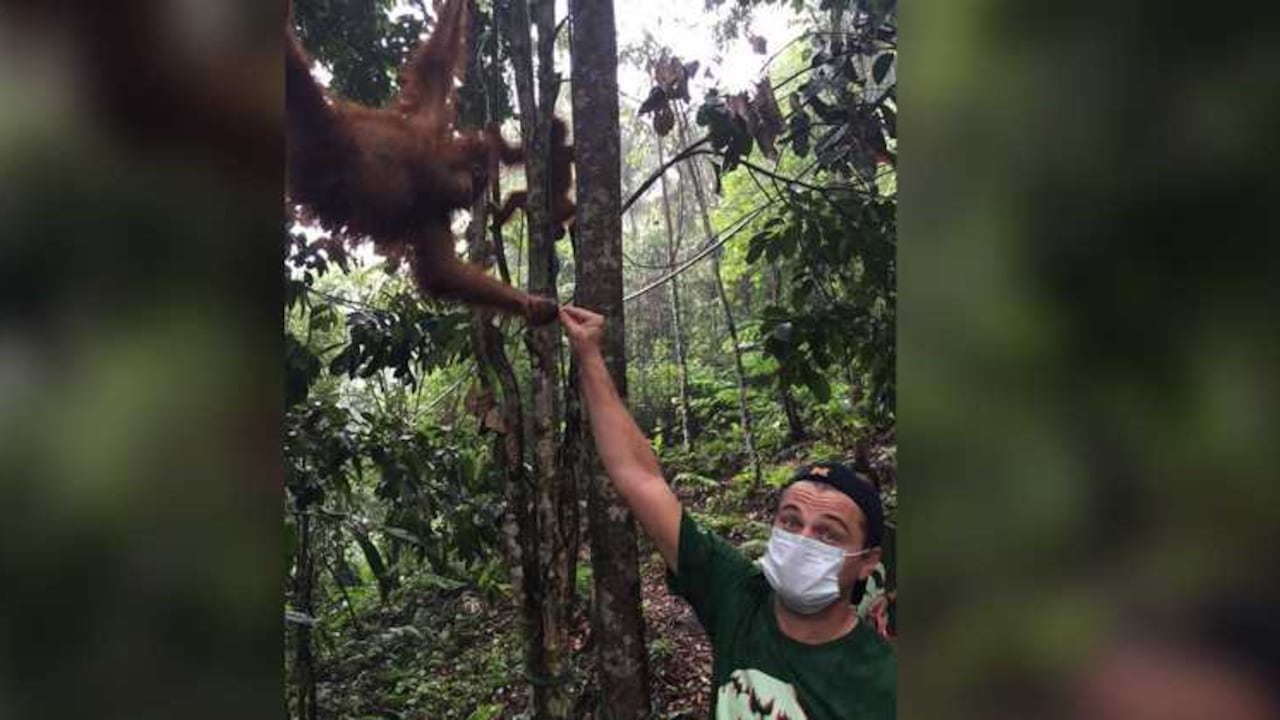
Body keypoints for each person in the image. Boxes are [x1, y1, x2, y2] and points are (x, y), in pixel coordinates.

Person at [560, 305, 896, 720]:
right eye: (790, 521)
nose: (802, 539)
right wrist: (590, 354)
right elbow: (640, 477)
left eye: (829, 533)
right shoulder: (738, 596)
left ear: (867, 562)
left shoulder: (887, 681)